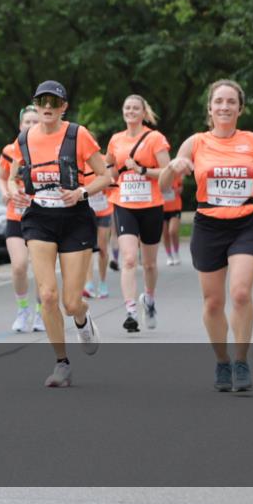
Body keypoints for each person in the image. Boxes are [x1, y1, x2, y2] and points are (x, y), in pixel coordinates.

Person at [160, 79, 253, 392]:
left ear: (240, 108)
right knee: (213, 302)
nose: (224, 107)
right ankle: (222, 361)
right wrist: (173, 166)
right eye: (219, 102)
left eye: (231, 102)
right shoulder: (196, 142)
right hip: (209, 224)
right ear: (210, 109)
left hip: (247, 222)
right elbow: (162, 184)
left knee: (240, 293)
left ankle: (241, 361)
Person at [7, 81, 111, 388]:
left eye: (54, 101)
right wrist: (15, 194)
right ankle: (62, 363)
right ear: (35, 105)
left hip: (75, 218)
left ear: (64, 106)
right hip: (39, 217)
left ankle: (82, 319)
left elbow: (105, 176)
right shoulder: (24, 137)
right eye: (42, 101)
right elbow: (12, 178)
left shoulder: (78, 135)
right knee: (48, 295)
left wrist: (81, 192)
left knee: (70, 302)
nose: (48, 107)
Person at [105, 95, 171, 333]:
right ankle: (131, 310)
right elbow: (111, 168)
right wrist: (106, 174)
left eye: (135, 108)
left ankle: (149, 300)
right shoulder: (115, 140)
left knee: (150, 263)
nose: (131, 111)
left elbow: (168, 172)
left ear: (144, 113)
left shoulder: (155, 138)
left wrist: (142, 169)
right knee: (130, 259)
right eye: (127, 108)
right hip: (124, 204)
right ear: (123, 112)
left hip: (151, 205)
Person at [0, 105, 45, 333]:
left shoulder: (49, 150)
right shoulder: (11, 150)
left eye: (36, 121)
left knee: (41, 269)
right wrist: (7, 191)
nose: (32, 125)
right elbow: (4, 177)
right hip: (16, 214)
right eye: (27, 122)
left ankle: (40, 313)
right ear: (20, 125)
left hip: (44, 216)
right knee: (18, 266)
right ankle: (22, 309)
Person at [82, 162, 116, 299]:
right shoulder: (78, 162)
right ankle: (89, 284)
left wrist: (103, 185)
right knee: (87, 248)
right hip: (86, 212)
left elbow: (112, 182)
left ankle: (102, 282)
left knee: (102, 248)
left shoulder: (102, 161)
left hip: (103, 211)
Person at [162, 172, 184, 266]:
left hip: (175, 207)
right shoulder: (160, 177)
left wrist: (174, 191)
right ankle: (169, 255)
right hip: (161, 208)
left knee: (172, 231)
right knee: (165, 233)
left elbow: (181, 189)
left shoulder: (176, 176)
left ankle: (176, 252)